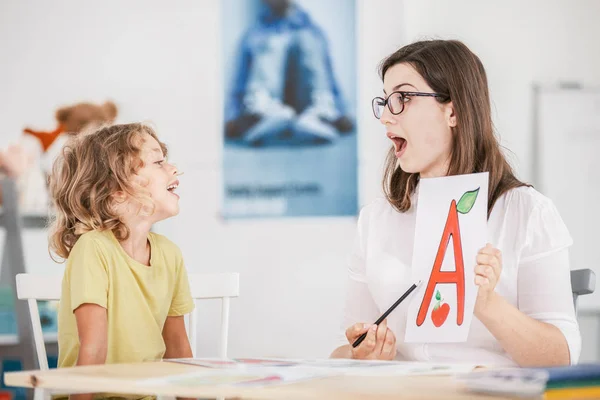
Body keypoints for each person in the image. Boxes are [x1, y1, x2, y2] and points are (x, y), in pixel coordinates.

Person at [331, 40, 580, 367]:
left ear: (453, 110)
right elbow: (341, 351)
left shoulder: (528, 213)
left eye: (403, 98)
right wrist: (360, 353)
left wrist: (489, 305)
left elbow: (561, 358)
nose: (386, 118)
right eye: (386, 101)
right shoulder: (376, 220)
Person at [49, 123, 194, 399]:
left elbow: (178, 348)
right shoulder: (93, 249)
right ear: (117, 189)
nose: (173, 169)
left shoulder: (170, 254)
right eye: (159, 161)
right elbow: (92, 348)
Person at [225, 0, 353, 146]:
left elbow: (328, 77)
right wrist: (232, 116)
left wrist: (342, 111)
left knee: (307, 40)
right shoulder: (255, 34)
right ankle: (260, 115)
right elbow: (240, 80)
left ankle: (320, 114)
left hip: (305, 107)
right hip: (271, 109)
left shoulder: (312, 32)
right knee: (271, 42)